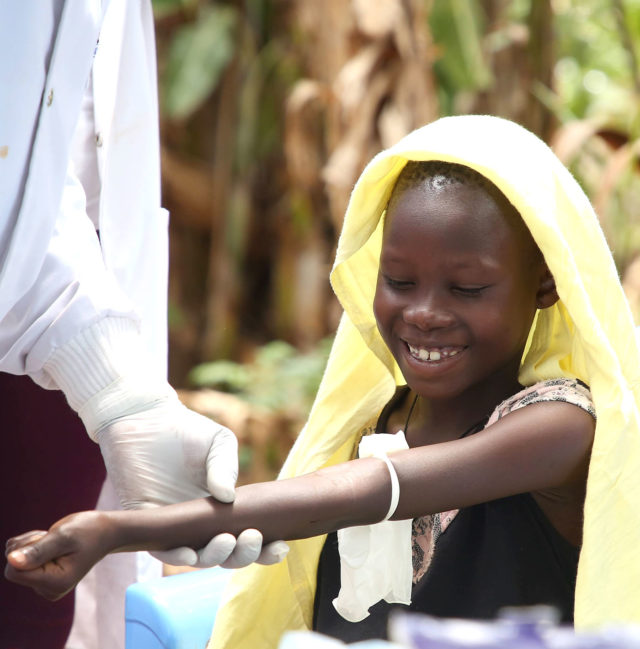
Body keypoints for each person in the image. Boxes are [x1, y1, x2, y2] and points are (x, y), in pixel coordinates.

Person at [5, 116, 640, 648]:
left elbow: (366, 491)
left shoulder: (559, 427)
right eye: (398, 281)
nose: (424, 312)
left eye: (466, 288)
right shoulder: (375, 420)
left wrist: (119, 530)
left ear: (545, 285)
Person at [0, 3, 283, 648]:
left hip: (62, 308)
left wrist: (122, 398)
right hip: (54, 303)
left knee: (33, 610)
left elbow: (24, 173)